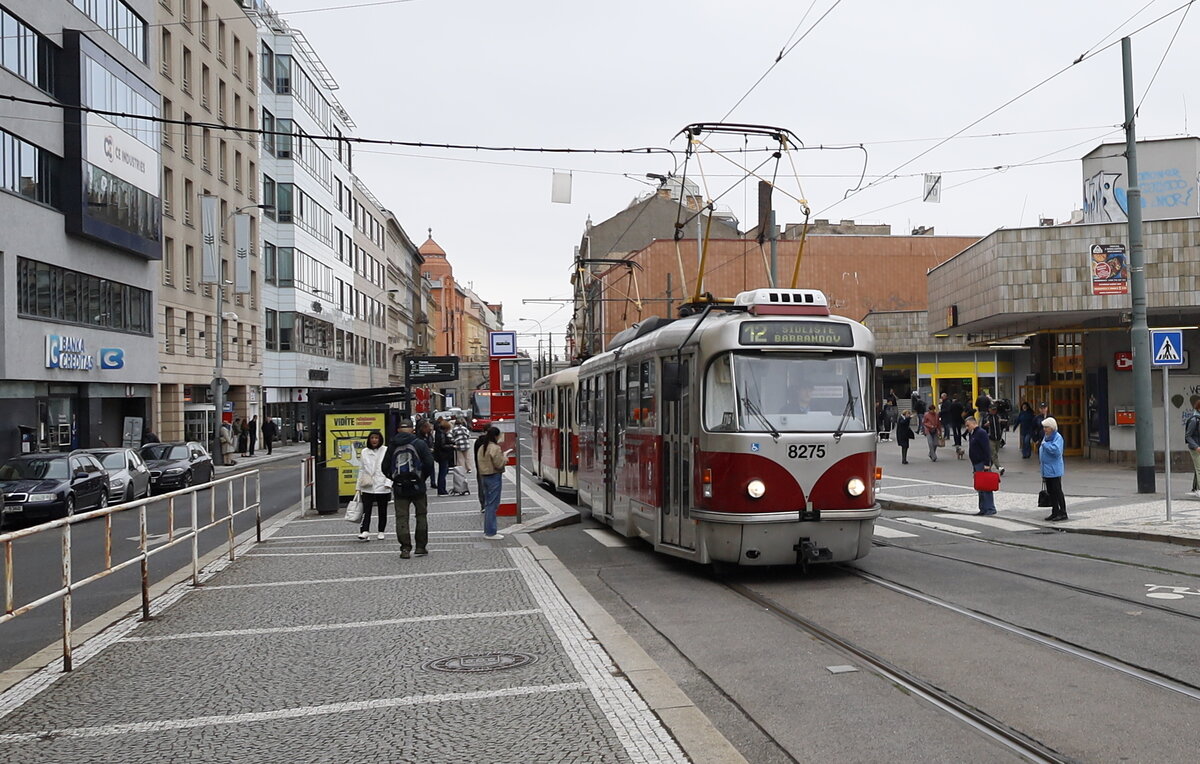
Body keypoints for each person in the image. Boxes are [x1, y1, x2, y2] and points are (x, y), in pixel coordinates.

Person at [383, 421, 434, 559]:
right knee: (421, 515)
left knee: (401, 517)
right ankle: (420, 547)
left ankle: (405, 548)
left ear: (398, 430)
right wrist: (421, 477)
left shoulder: (393, 445)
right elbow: (429, 463)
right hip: (417, 486)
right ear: (412, 429)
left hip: (400, 487)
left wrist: (395, 478)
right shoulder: (419, 443)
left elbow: (385, 467)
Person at [356, 430, 391, 540]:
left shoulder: (386, 450)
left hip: (382, 483)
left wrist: (388, 482)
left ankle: (381, 530)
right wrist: (358, 486)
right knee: (366, 509)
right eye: (372, 438)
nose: (374, 440)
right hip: (368, 483)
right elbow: (361, 469)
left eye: (376, 438)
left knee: (382, 509)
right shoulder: (364, 452)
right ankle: (365, 530)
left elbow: (390, 468)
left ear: (380, 439)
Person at [476, 426, 508, 539]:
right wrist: (505, 458)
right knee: (493, 505)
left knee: (488, 504)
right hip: (494, 476)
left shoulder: (482, 447)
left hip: (484, 476)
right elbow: (499, 464)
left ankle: (488, 530)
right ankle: (491, 532)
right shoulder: (495, 448)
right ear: (496, 436)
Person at [965, 416, 996, 515]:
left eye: (968, 425)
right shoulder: (973, 433)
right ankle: (983, 508)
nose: (967, 428)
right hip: (976, 464)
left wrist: (987, 464)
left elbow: (986, 449)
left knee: (986, 487)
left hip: (982, 463)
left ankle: (990, 508)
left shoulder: (981, 433)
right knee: (980, 487)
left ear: (973, 423)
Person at [1039, 416, 1068, 521]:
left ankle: (1063, 512)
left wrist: (1045, 445)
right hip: (1047, 469)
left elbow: (1056, 451)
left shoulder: (1057, 437)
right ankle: (1055, 511)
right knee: (1051, 491)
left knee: (1057, 491)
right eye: (1044, 427)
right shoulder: (1046, 437)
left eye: (1046, 427)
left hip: (1054, 470)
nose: (1044, 429)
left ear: (1052, 428)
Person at [450, 416, 472, 495]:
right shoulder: (464, 428)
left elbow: (451, 437)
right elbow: (468, 435)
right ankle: (469, 468)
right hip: (466, 444)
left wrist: (454, 441)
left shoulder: (454, 429)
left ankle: (462, 469)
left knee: (460, 458)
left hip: (459, 444)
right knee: (467, 457)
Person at [982, 404, 1006, 475]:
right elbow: (981, 427)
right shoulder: (986, 417)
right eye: (992, 410)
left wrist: (1003, 423)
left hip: (998, 438)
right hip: (990, 438)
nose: (994, 411)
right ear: (989, 409)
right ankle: (1000, 468)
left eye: (995, 409)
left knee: (994, 455)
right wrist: (985, 425)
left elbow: (1002, 426)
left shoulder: (998, 417)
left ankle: (987, 468)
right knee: (994, 454)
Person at [1185, 395, 1200, 498]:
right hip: (1195, 448)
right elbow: (1188, 436)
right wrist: (1196, 447)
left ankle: (1195, 488)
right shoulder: (1194, 420)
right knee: (1199, 468)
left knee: (1197, 468)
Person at [433, 419, 453, 495]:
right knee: (443, 472)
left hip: (440, 455)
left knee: (443, 472)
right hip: (443, 455)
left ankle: (442, 489)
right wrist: (452, 446)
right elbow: (443, 445)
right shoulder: (442, 434)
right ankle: (441, 489)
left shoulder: (439, 433)